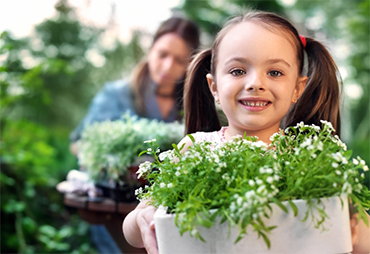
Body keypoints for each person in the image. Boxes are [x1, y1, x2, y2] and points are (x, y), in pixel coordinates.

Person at [122, 11, 370, 254]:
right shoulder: (193, 149)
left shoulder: (308, 158)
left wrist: (348, 214)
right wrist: (142, 218)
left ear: (297, 88)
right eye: (238, 71)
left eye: (275, 72)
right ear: (215, 87)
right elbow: (133, 231)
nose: (255, 83)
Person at [69, 16, 200, 155]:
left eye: (179, 60)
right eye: (162, 55)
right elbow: (78, 144)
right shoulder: (116, 95)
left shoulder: (195, 105)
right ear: (150, 51)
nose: (168, 67)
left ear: (189, 64)